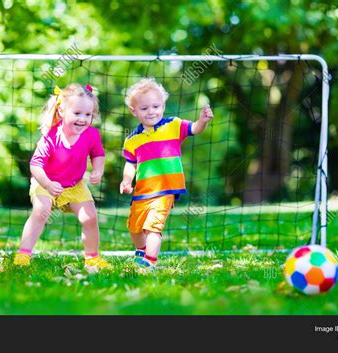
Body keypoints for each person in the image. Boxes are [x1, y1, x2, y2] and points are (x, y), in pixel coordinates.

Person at [14, 83, 111, 271]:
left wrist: (98, 170)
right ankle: (23, 254)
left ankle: (92, 257)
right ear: (62, 111)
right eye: (77, 113)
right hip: (46, 182)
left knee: (90, 217)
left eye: (88, 114)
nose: (83, 119)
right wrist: (48, 184)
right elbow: (35, 165)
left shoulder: (91, 134)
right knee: (41, 211)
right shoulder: (51, 136)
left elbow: (98, 154)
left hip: (74, 185)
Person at [120, 78, 214, 270]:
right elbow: (130, 164)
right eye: (144, 108)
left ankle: (149, 261)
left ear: (163, 106)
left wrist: (202, 121)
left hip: (165, 191)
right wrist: (126, 181)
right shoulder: (132, 140)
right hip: (142, 193)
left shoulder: (173, 126)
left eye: (156, 106)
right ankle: (141, 251)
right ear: (134, 111)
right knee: (135, 228)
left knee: (152, 227)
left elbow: (194, 129)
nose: (151, 111)